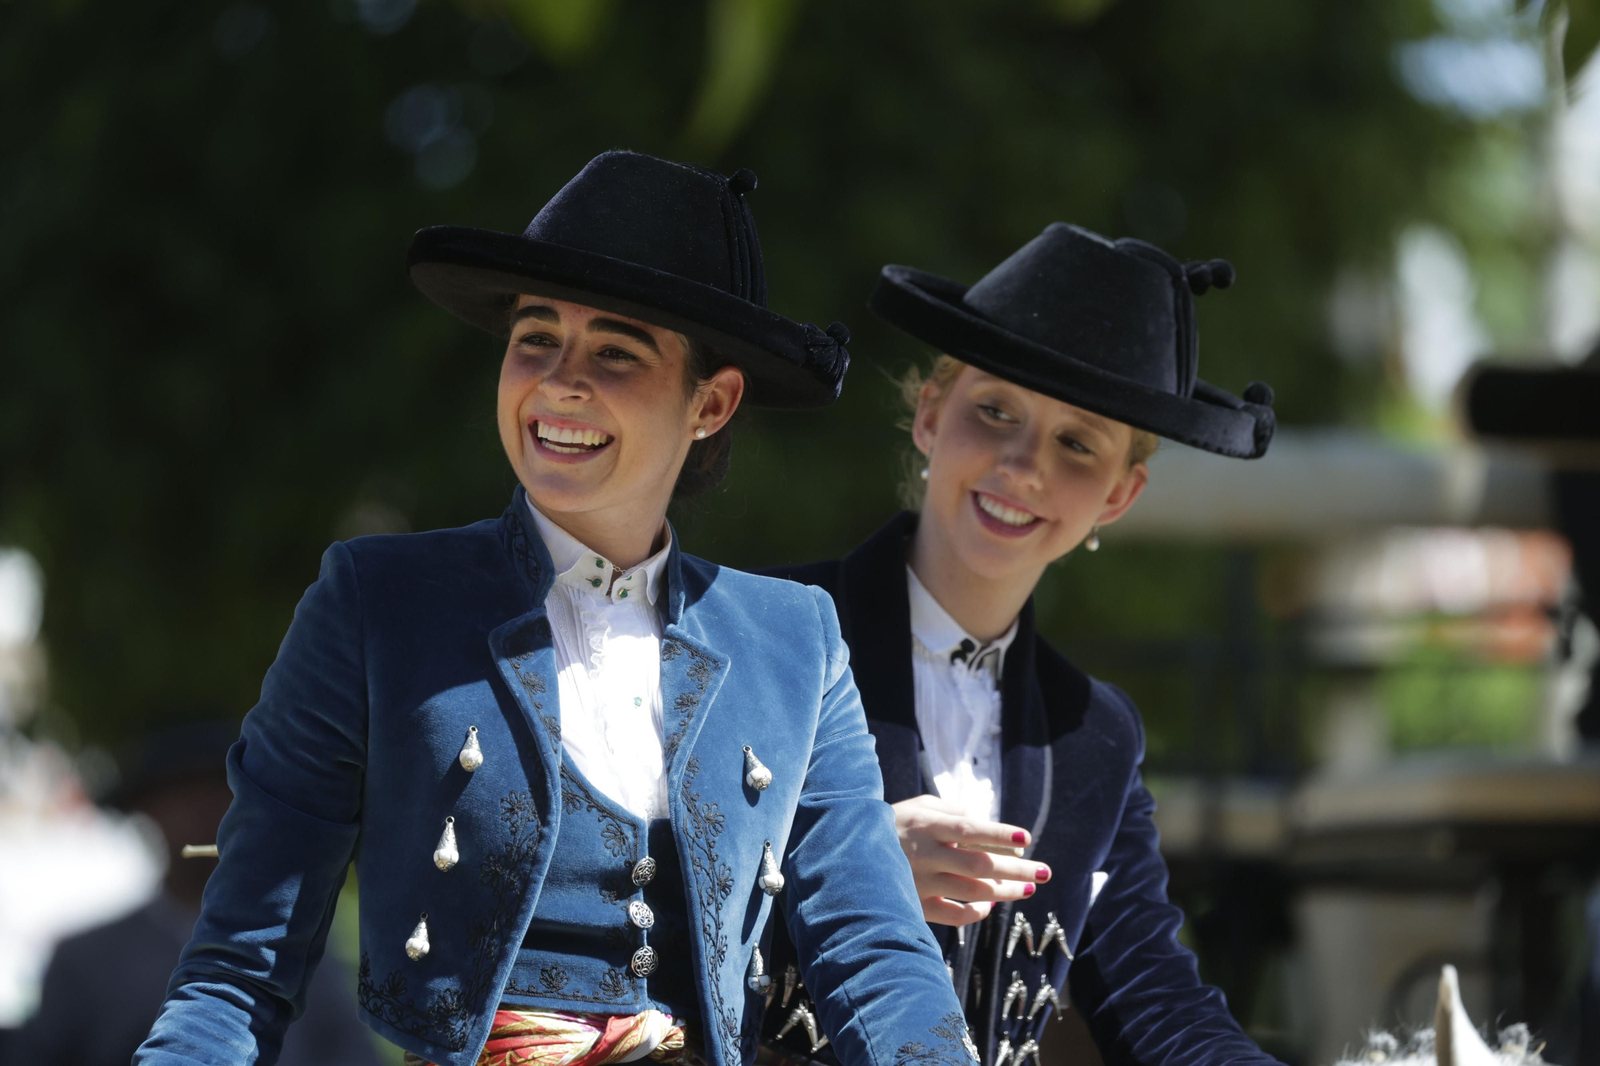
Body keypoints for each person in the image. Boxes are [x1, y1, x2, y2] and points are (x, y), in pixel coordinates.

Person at [134, 151, 977, 1066]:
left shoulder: (797, 639)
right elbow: (237, 976)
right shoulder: (376, 601)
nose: (560, 381)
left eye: (616, 351)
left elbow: (875, 955)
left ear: (713, 402)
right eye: (535, 338)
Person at [758, 224, 1281, 1066]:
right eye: (994, 411)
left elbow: (1156, 999)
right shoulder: (761, 632)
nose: (1023, 464)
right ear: (931, 415)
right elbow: (642, 899)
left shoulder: (1098, 736)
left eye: (1077, 443)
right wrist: (857, 865)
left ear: (1119, 495)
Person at [7, 720, 381, 1066]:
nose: (205, 809)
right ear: (147, 808)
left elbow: (350, 1053)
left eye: (223, 788)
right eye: (183, 793)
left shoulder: (300, 947)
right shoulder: (87, 960)